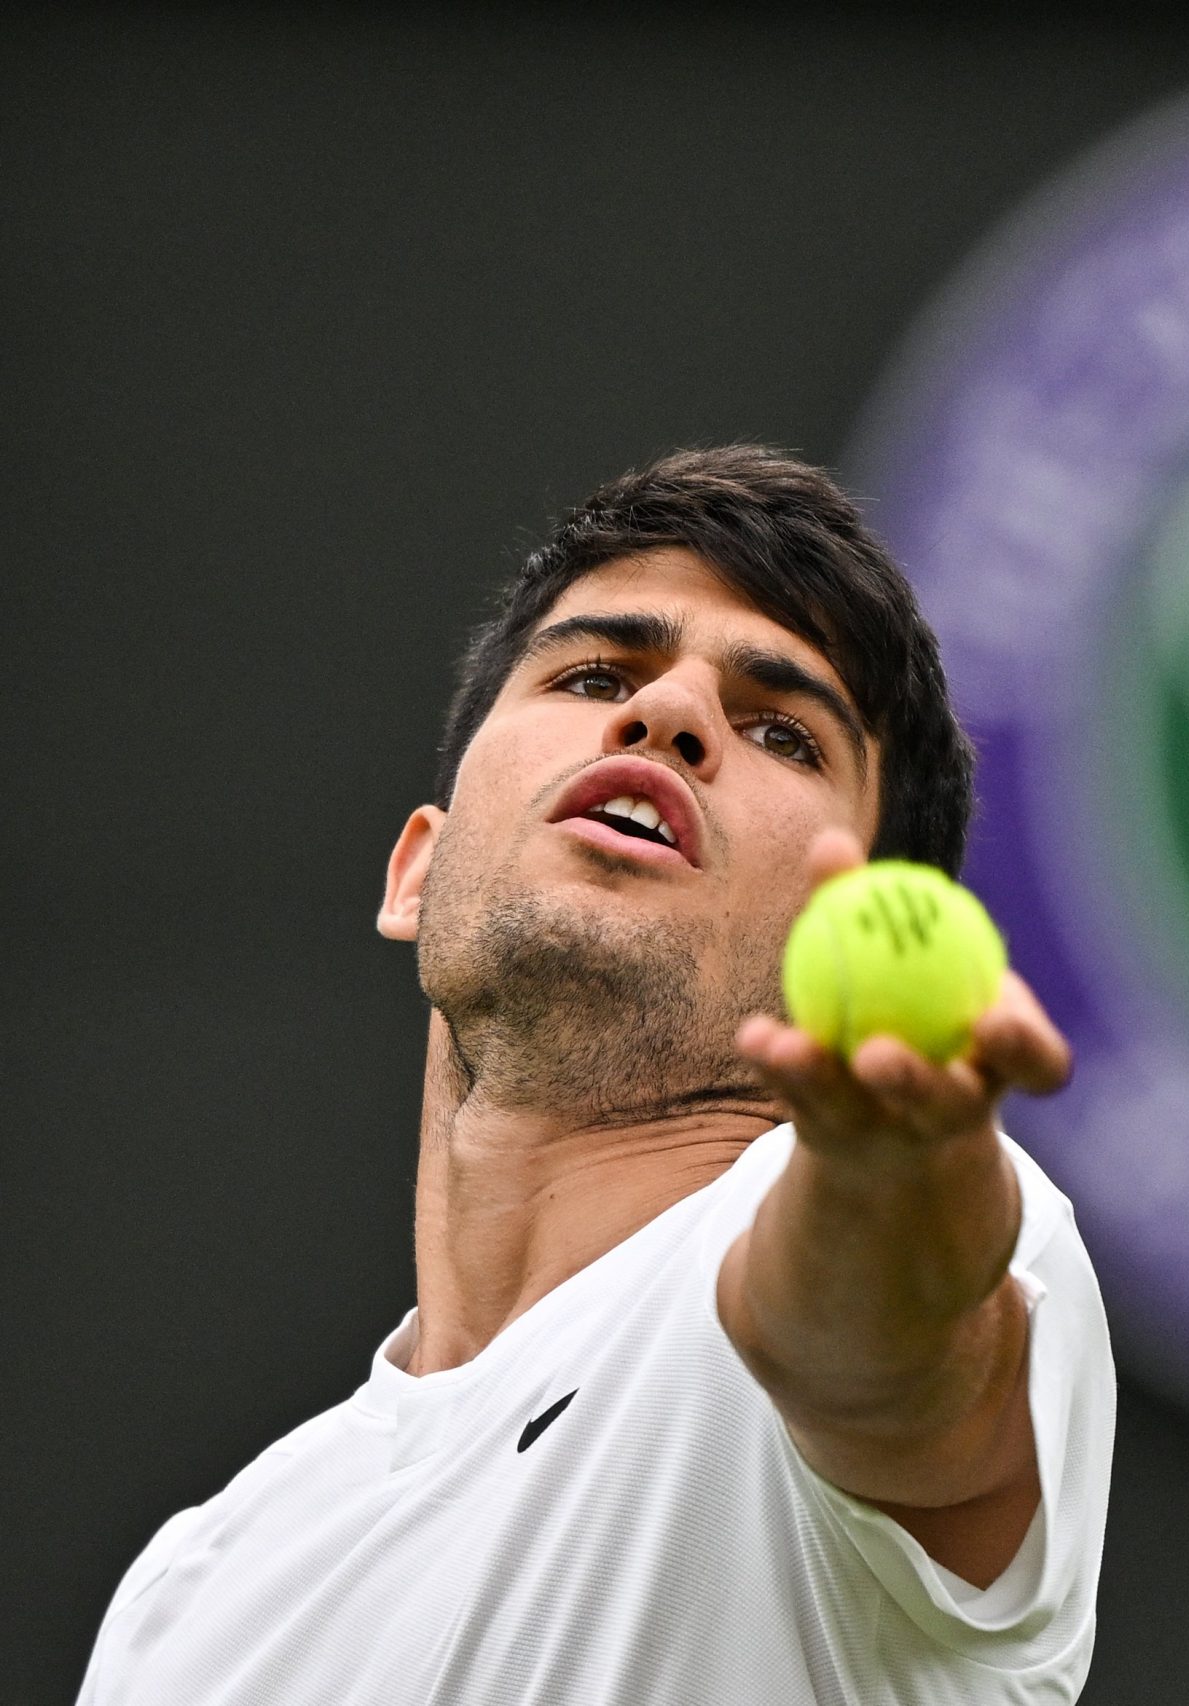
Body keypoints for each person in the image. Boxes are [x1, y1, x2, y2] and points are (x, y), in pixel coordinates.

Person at [75, 447, 1115, 1704]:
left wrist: (890, 1178)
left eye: (783, 729)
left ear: (862, 920)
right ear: (418, 870)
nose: (669, 712)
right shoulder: (192, 1593)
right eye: (592, 673)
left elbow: (887, 1354)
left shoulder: (923, 1223)